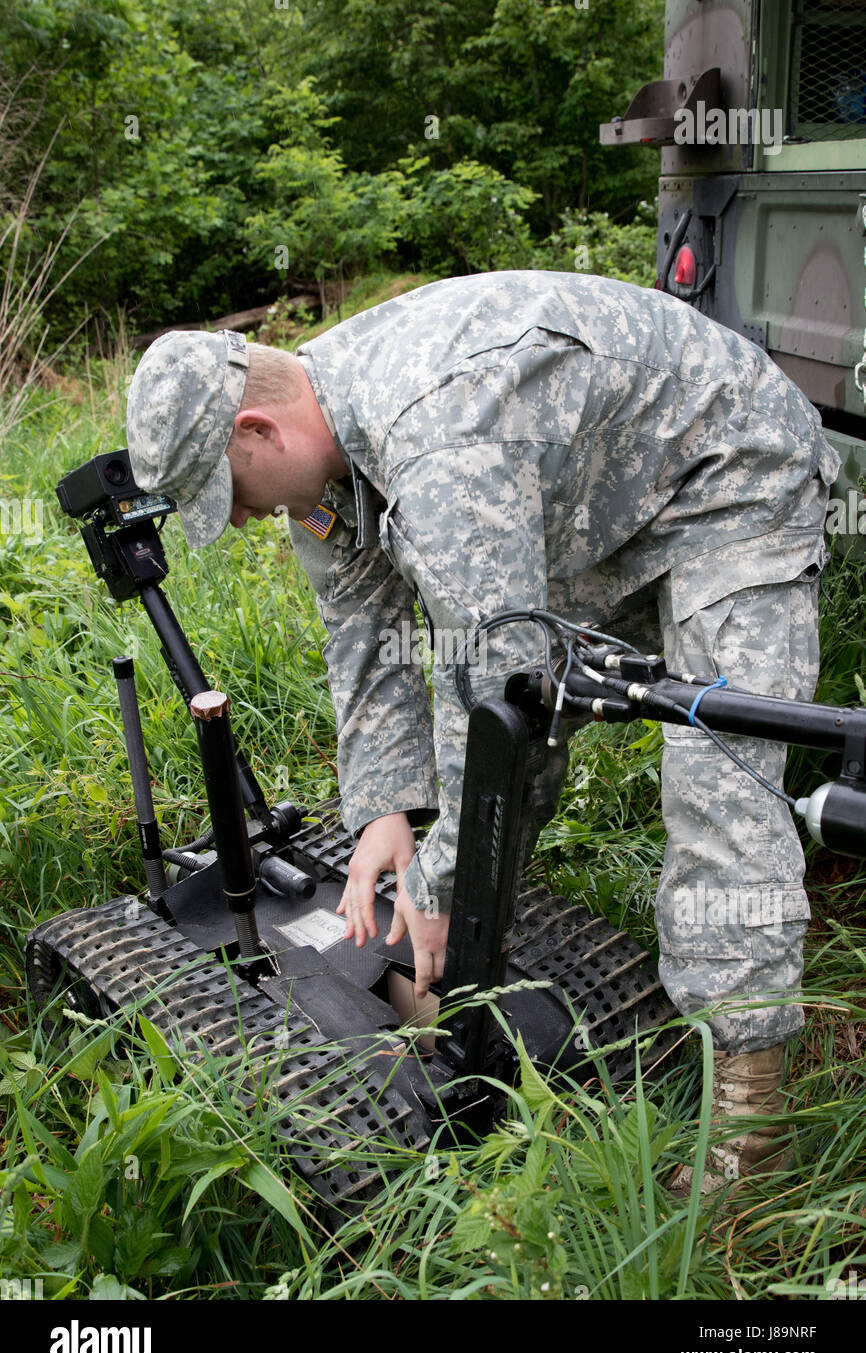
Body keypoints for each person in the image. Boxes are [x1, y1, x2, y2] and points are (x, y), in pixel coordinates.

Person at [125, 270, 841, 1193]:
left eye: (225, 491)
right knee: (529, 675)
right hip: (597, 500)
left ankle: (755, 1121)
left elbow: (509, 711)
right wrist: (385, 810)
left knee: (717, 778)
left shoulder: (438, 440)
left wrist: (444, 878)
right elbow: (365, 627)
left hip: (727, 475)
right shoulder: (324, 439)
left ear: (257, 431)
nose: (234, 517)